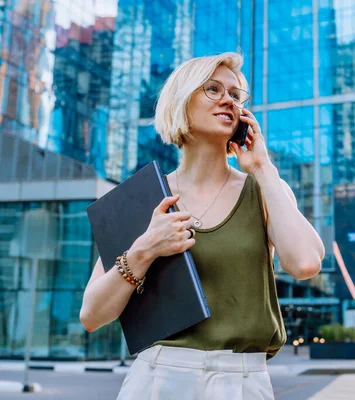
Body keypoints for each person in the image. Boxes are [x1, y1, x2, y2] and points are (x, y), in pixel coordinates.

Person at [79, 52, 325, 399]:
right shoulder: (142, 196)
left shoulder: (264, 188)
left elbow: (305, 263)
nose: (229, 100)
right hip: (157, 379)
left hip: (242, 381)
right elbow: (91, 315)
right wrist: (144, 250)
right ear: (182, 101)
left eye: (236, 95)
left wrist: (263, 167)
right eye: (213, 89)